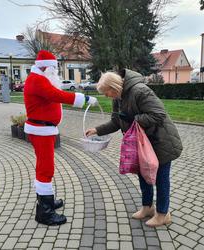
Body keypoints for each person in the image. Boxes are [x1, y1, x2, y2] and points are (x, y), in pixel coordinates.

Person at [86, 69, 183, 227]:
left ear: (114, 86)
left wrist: (134, 120)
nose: (106, 96)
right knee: (143, 175)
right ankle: (147, 208)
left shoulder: (140, 91)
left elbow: (159, 114)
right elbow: (117, 121)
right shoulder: (118, 97)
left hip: (160, 142)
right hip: (141, 143)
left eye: (106, 92)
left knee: (161, 179)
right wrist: (97, 130)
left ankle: (163, 214)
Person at [24, 50, 98, 226]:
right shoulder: (38, 80)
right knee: (46, 167)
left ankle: (47, 202)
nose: (55, 72)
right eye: (54, 68)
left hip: (43, 130)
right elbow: (56, 95)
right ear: (46, 67)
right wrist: (85, 98)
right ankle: (44, 212)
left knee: (45, 166)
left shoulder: (40, 78)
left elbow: (52, 95)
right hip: (40, 130)